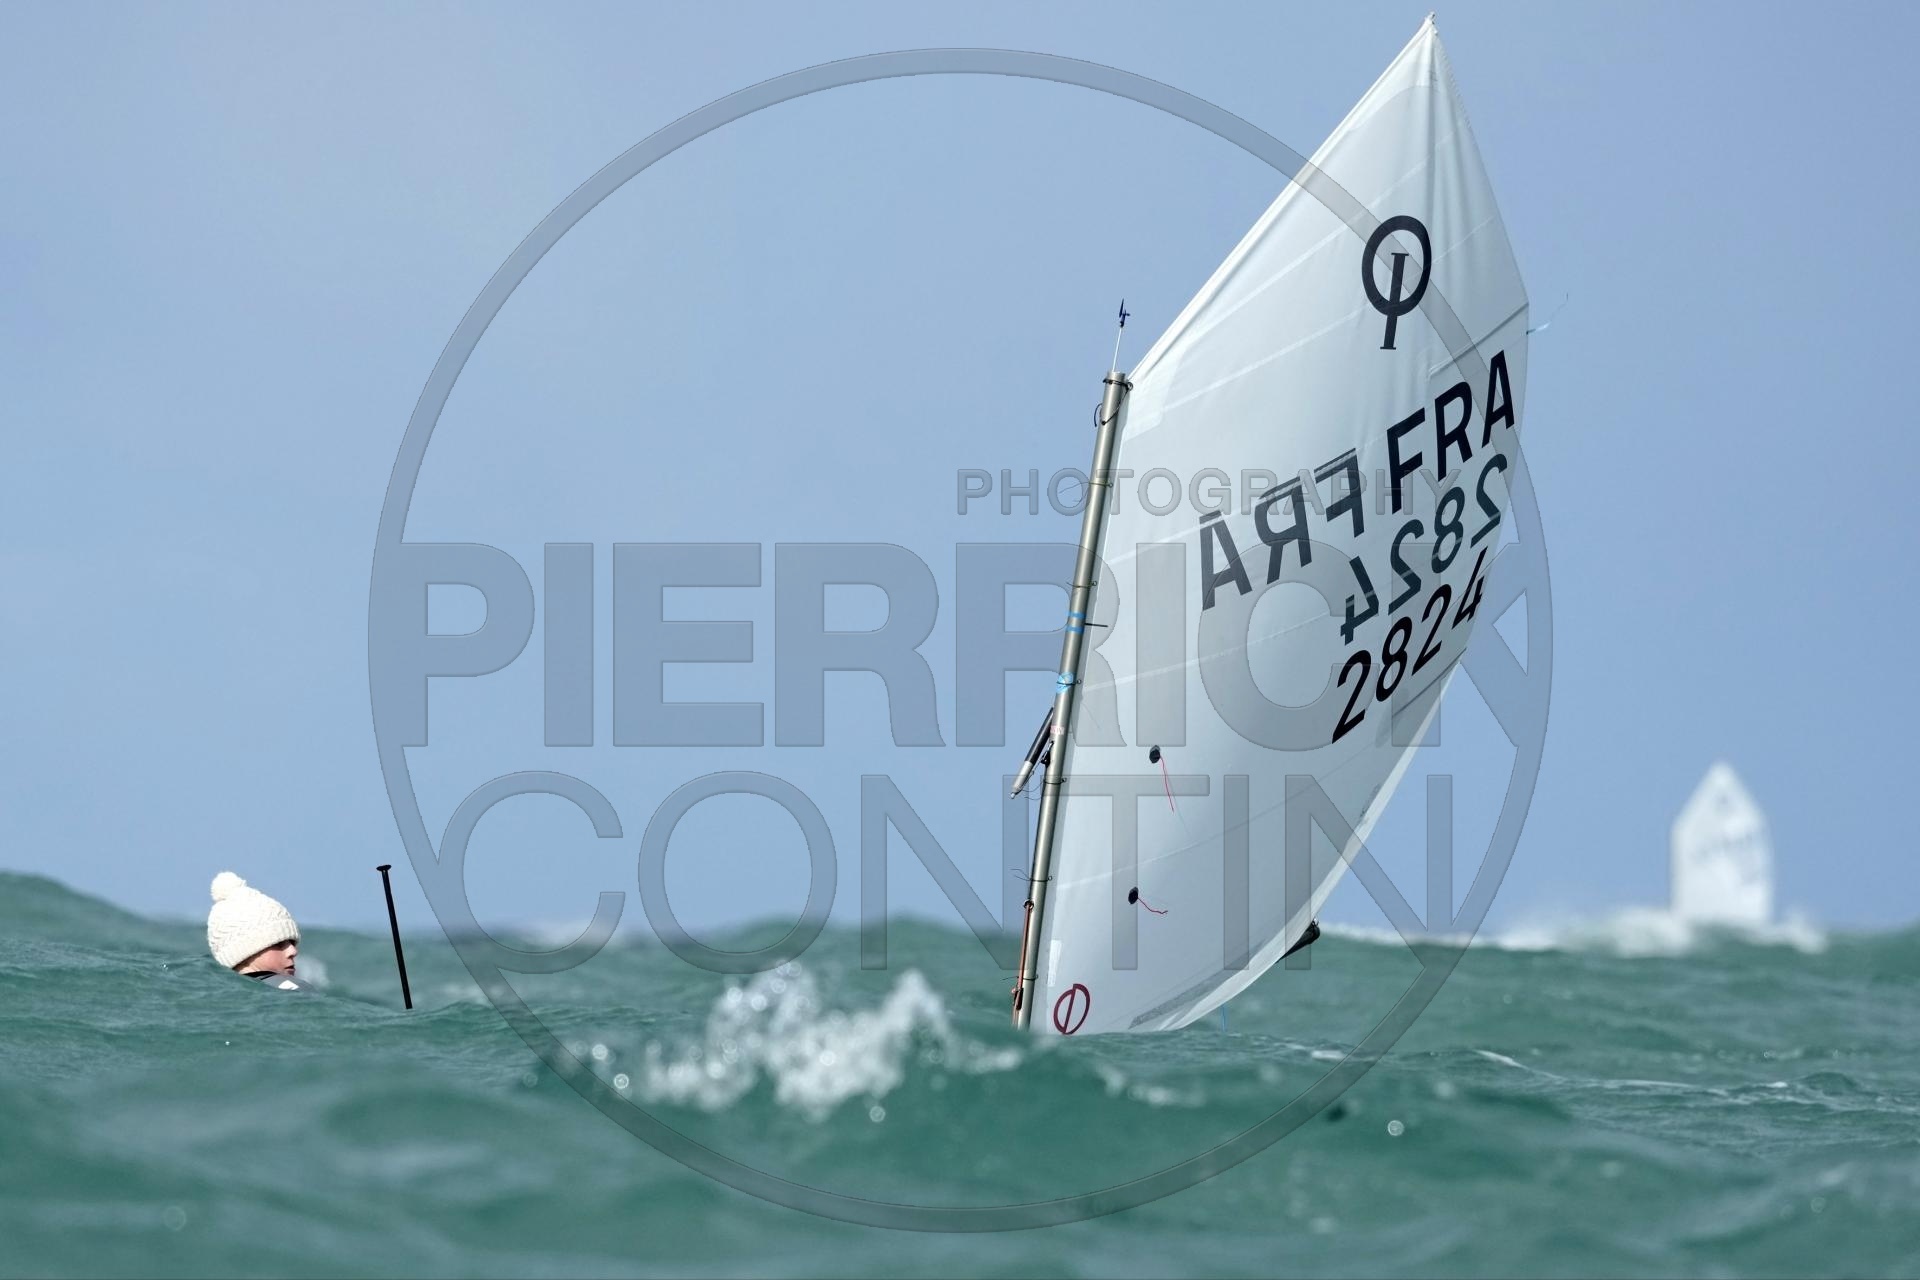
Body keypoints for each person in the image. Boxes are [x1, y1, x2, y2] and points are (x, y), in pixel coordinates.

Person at [207, 871, 306, 991]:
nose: (293, 951)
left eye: (292, 942)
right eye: (279, 944)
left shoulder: (215, 991)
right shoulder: (293, 989)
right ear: (245, 951)